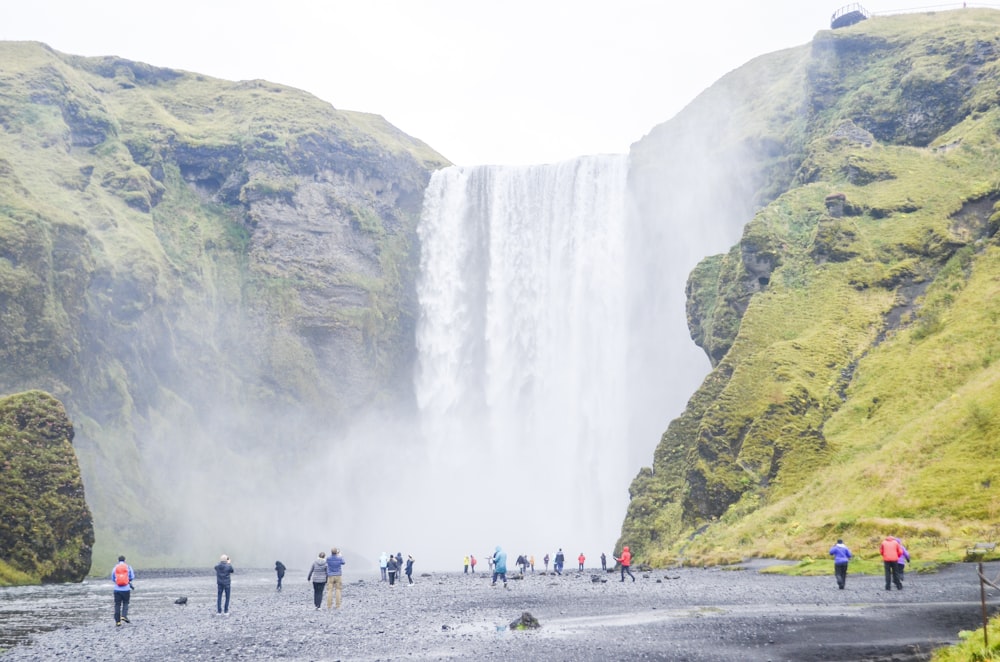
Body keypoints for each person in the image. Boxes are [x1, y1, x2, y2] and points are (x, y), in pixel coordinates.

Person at [111, 555, 134, 626]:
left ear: (118, 560)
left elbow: (112, 578)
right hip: (126, 589)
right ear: (124, 560)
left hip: (117, 589)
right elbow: (132, 576)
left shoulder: (115, 568)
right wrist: (127, 581)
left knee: (117, 604)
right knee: (126, 603)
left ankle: (118, 621)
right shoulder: (128, 567)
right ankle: (124, 616)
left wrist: (117, 582)